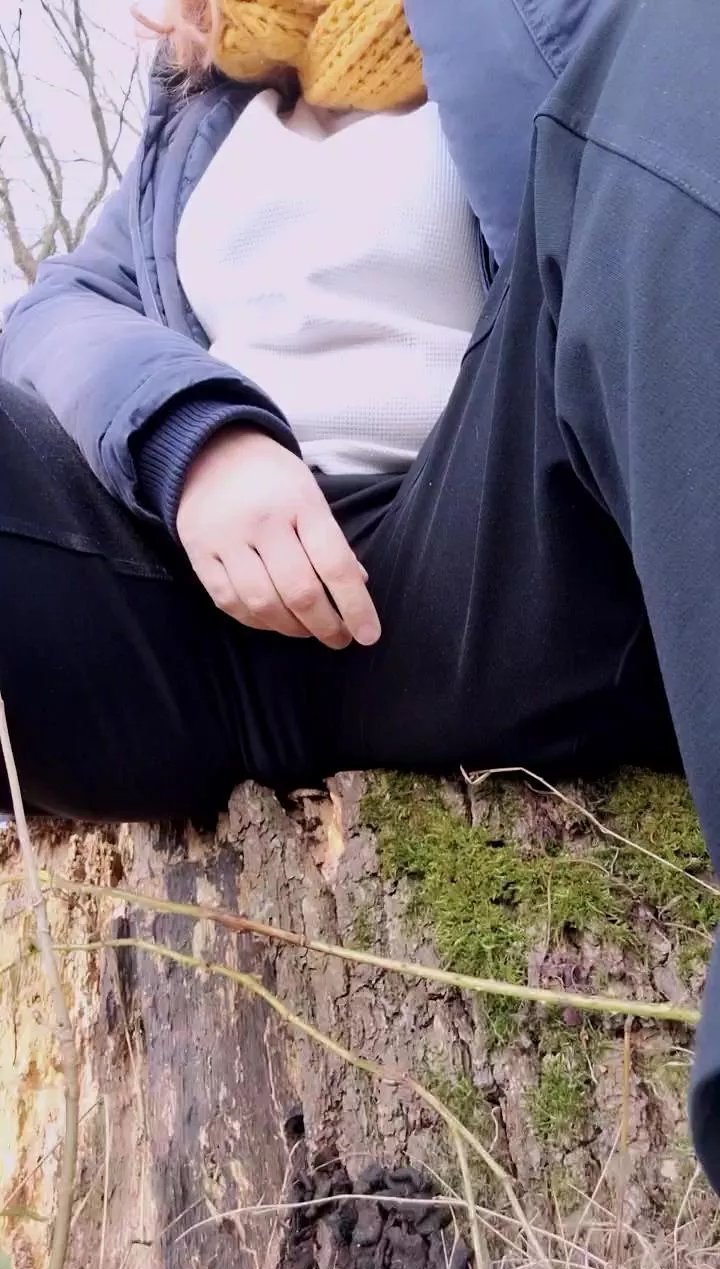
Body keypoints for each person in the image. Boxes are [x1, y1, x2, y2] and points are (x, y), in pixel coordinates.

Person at [1, 0, 720, 1188]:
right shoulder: (200, 106)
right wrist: (189, 430)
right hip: (203, 612)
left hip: (513, 549)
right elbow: (59, 311)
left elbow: (649, 192)